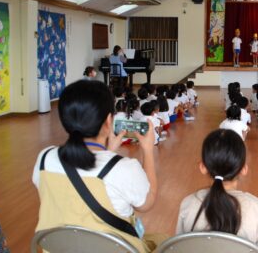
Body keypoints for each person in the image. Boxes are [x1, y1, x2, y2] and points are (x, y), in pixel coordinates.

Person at [32, 80, 161, 252]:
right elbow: (147, 202)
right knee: (163, 240)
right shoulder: (124, 168)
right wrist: (148, 151)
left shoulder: (44, 158)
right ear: (109, 120)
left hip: (61, 248)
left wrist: (108, 151)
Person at [176, 130, 258, 253]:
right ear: (244, 169)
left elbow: (178, 248)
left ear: (202, 167)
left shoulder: (188, 203)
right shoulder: (257, 208)